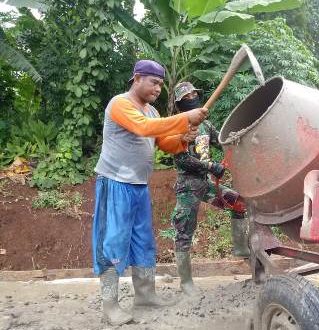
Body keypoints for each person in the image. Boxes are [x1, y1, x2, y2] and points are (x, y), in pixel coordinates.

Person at [92, 60, 208, 326]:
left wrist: (182, 139)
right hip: (115, 183)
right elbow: (143, 128)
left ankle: (145, 295)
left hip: (139, 186)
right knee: (112, 243)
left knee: (143, 242)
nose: (158, 88)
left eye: (160, 84)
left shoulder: (153, 112)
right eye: (153, 82)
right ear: (137, 78)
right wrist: (184, 118)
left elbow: (163, 143)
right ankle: (110, 305)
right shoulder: (120, 104)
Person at [170, 81, 250, 296]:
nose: (192, 98)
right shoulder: (176, 126)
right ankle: (186, 283)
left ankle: (242, 247)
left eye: (194, 95)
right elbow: (182, 160)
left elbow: (221, 141)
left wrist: (237, 137)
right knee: (184, 232)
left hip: (205, 183)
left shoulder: (205, 125)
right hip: (188, 186)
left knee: (239, 203)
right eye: (187, 97)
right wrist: (210, 166)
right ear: (179, 104)